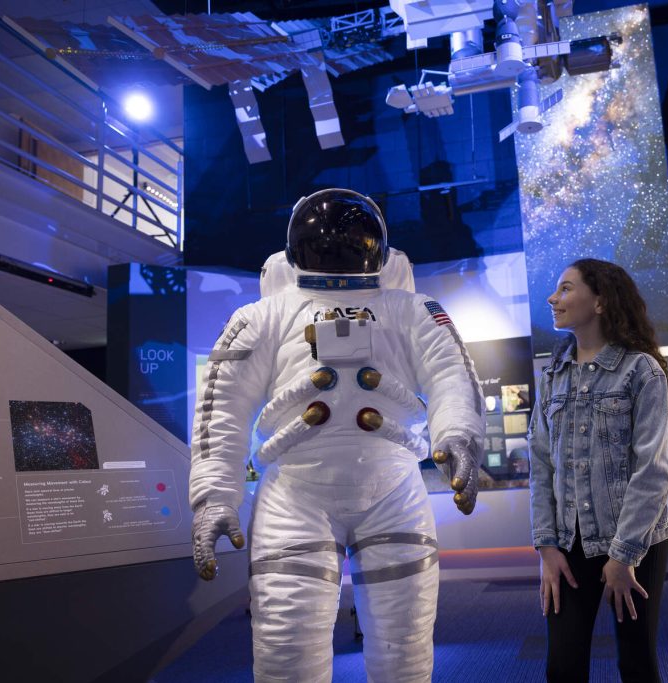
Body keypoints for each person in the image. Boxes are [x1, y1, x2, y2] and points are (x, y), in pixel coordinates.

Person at [188, 188, 485, 683]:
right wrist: (214, 497)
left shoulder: (412, 309)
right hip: (295, 499)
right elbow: (222, 409)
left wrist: (457, 434)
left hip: (390, 490)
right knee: (287, 650)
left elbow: (452, 376)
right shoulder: (263, 317)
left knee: (404, 648)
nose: (339, 246)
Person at [528, 258, 668, 682]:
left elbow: (655, 469)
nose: (552, 298)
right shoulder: (552, 376)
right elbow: (540, 463)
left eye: (565, 288)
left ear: (600, 302)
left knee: (636, 661)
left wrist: (623, 554)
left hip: (637, 541)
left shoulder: (641, 371)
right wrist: (547, 547)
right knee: (563, 664)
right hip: (567, 542)